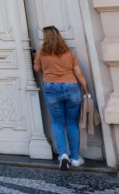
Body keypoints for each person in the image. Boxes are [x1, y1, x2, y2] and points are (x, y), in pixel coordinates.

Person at [33, 25, 89, 170]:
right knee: (71, 122)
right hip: (71, 87)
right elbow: (78, 72)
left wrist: (36, 59)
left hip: (51, 89)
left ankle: (63, 155)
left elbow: (37, 69)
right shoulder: (69, 53)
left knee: (57, 122)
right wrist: (86, 88)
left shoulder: (41, 53)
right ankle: (76, 158)